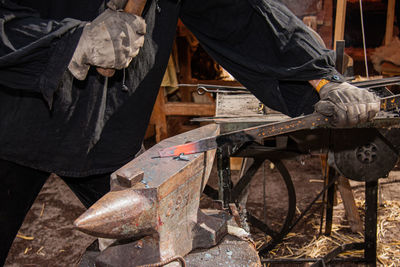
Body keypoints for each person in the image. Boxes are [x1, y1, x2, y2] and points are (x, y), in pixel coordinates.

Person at [0, 0, 380, 265]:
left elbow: (246, 17)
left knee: (163, 252)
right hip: (9, 118)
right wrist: (68, 41)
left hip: (105, 135)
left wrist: (320, 80)